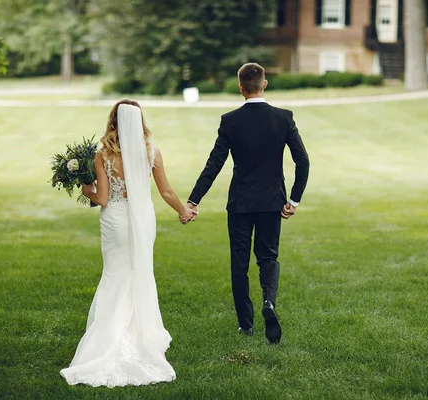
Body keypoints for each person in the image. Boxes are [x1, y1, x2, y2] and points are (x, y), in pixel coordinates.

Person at [60, 99, 196, 387]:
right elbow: (166, 191)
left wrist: (87, 188)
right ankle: (143, 333)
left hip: (116, 221)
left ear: (114, 120)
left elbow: (103, 199)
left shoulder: (104, 156)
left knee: (115, 275)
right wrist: (183, 211)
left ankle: (108, 337)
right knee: (140, 272)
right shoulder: (151, 151)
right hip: (142, 220)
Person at [187, 63, 310, 344]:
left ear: (240, 87)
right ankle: (269, 302)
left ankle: (246, 324)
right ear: (264, 84)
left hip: (240, 202)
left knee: (239, 263)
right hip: (272, 202)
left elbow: (214, 164)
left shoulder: (230, 120)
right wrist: (294, 199)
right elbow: (302, 160)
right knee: (268, 256)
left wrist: (194, 200)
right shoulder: (283, 118)